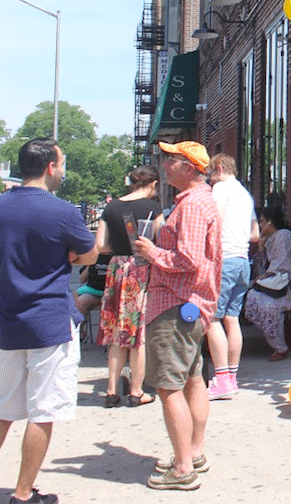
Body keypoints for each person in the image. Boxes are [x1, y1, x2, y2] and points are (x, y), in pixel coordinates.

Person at [0, 138, 97, 504]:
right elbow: (89, 255)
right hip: (50, 321)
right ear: (51, 166)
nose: (64, 170)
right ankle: (23, 494)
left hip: (10, 321)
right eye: (63, 163)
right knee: (43, 411)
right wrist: (67, 253)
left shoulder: (1, 207)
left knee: (2, 410)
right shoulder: (64, 211)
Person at [133, 141, 221, 492]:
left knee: (169, 387)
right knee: (192, 379)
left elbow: (187, 259)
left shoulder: (193, 205)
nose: (165, 165)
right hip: (188, 305)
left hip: (176, 304)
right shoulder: (195, 202)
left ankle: (184, 467)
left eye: (172, 160)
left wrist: (151, 250)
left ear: (189, 167)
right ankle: (193, 452)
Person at [96, 165, 162, 408]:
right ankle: (136, 391)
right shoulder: (153, 208)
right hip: (141, 268)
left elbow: (101, 245)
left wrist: (119, 251)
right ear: (153, 184)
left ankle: (111, 391)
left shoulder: (111, 207)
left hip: (117, 268)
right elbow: (162, 238)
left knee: (116, 332)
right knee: (138, 333)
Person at [205, 154, 258, 400]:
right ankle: (232, 378)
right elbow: (255, 234)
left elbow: (214, 222)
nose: (208, 178)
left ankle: (222, 380)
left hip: (223, 259)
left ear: (218, 168)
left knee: (212, 320)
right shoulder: (245, 195)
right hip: (242, 260)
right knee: (232, 319)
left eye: (209, 173)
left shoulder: (220, 189)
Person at [244, 207, 291, 361]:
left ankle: (280, 347)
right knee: (253, 296)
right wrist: (261, 248)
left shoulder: (283, 236)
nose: (260, 225)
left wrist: (260, 278)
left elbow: (279, 267)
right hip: (279, 285)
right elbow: (261, 268)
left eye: (261, 221)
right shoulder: (270, 238)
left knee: (267, 306)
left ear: (270, 222)